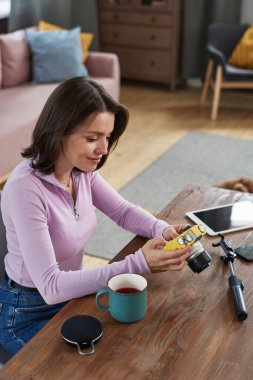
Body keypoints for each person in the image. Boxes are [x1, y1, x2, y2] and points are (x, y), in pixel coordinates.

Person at [0, 77, 190, 356]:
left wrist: (163, 230)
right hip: (28, 311)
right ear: (59, 132)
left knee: (138, 345)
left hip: (73, 296)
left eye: (107, 137)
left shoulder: (81, 171)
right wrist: (139, 263)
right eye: (92, 138)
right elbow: (51, 286)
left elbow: (123, 211)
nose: (103, 150)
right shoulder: (25, 189)